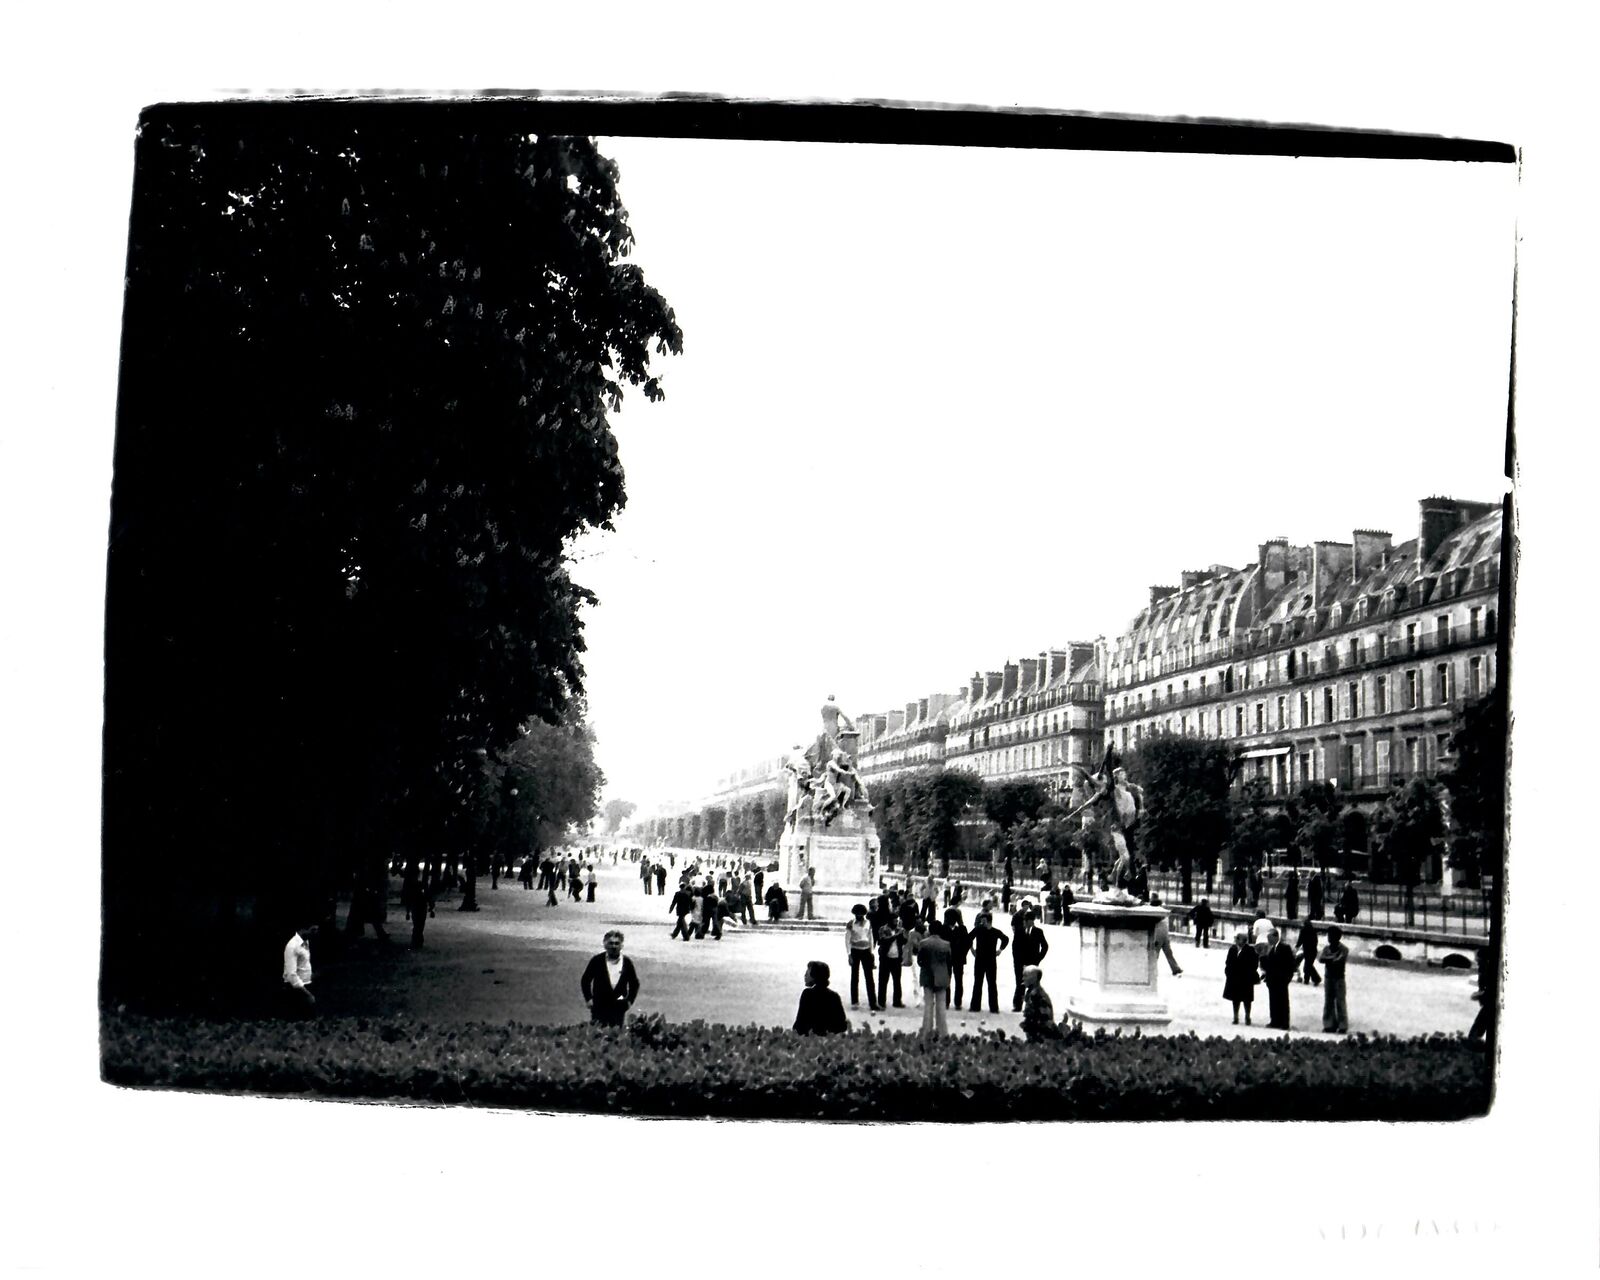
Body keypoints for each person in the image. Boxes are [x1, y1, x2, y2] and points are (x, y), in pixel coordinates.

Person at [580, 930, 640, 1027]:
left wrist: (629, 1001)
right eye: (611, 943)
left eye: (617, 943)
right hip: (599, 1005)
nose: (614, 946)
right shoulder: (597, 961)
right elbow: (585, 980)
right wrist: (588, 999)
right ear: (605, 945)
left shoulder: (627, 962)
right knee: (598, 1035)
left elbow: (634, 983)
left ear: (621, 945)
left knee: (616, 1036)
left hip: (619, 1006)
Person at [916, 920, 953, 1037]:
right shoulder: (946, 944)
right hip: (942, 976)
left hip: (927, 975)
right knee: (941, 1005)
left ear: (930, 930)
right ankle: (942, 1032)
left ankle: (927, 1031)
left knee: (928, 1005)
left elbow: (919, 960)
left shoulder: (923, 943)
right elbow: (949, 962)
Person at [968, 910, 1009, 1014]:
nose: (982, 923)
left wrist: (1000, 949)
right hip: (980, 959)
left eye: (984, 921)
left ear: (989, 921)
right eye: (981, 921)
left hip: (991, 960)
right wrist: (972, 949)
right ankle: (975, 1006)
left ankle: (994, 1007)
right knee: (978, 982)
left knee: (992, 984)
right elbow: (968, 938)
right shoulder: (978, 929)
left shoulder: (995, 932)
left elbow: (1006, 939)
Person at [1010, 907, 1049, 1012]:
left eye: (1026, 920)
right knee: (1020, 983)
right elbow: (1014, 948)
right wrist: (1017, 962)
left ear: (1031, 921)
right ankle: (1017, 1005)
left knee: (1033, 985)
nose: (1025, 922)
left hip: (1032, 963)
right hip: (1020, 963)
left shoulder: (1038, 932)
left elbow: (1045, 946)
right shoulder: (1019, 931)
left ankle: (1030, 1006)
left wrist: (1038, 959)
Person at [793, 961, 849, 1035]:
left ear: (814, 975)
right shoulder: (834, 996)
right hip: (830, 1039)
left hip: (810, 1039)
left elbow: (800, 1023)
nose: (805, 975)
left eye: (807, 973)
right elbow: (842, 1025)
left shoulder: (808, 994)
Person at [843, 904, 879, 1011]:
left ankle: (873, 1002)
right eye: (857, 914)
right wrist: (849, 954)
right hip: (855, 950)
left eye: (861, 914)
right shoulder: (850, 924)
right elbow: (847, 939)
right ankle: (854, 1001)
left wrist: (871, 951)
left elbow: (870, 937)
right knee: (855, 976)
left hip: (866, 951)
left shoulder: (868, 923)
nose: (859, 916)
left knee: (869, 977)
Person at [1260, 928, 1297, 1030]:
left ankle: (1285, 1022)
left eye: (1269, 937)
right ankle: (1275, 1021)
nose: (1268, 940)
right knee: (1273, 1001)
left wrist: (1288, 978)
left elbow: (1291, 964)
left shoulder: (1285, 948)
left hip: (1281, 979)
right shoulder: (1270, 949)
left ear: (1275, 937)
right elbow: (1267, 965)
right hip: (1272, 980)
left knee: (1283, 1001)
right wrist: (1262, 956)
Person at [1318, 926, 1350, 1034]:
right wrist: (1332, 958)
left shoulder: (1344, 949)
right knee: (1328, 1002)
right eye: (1328, 935)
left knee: (1340, 1002)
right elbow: (1321, 959)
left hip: (1339, 979)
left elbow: (1338, 960)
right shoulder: (1327, 948)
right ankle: (1329, 1024)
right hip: (1329, 978)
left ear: (1337, 937)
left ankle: (1342, 1025)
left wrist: (1329, 959)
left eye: (1331, 936)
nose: (1329, 938)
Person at [1223, 929, 1259, 1025]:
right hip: (1234, 978)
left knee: (1247, 1000)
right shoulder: (1232, 949)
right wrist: (1228, 972)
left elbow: (1255, 964)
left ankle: (1247, 1016)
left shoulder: (1250, 950)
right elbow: (1228, 962)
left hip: (1246, 979)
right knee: (1235, 999)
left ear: (1242, 941)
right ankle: (1236, 1017)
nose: (1236, 941)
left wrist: (1248, 972)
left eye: (1237, 939)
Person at [282, 922, 318, 1015]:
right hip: (296, 991)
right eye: (313, 930)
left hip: (306, 985)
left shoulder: (306, 943)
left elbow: (302, 964)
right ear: (303, 929)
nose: (315, 933)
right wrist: (307, 994)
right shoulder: (293, 946)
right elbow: (291, 975)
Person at [1019, 966, 1062, 1042]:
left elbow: (1045, 1021)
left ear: (1034, 978)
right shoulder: (1031, 993)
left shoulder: (1039, 996)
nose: (1023, 979)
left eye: (1025, 976)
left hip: (1041, 1038)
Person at [876, 915, 907, 1009]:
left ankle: (897, 1001)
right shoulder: (883, 929)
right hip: (885, 958)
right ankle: (881, 1002)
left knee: (897, 981)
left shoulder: (900, 929)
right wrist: (895, 936)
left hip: (897, 958)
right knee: (883, 980)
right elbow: (882, 941)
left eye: (897, 920)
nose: (896, 922)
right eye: (894, 920)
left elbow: (904, 941)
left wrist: (903, 935)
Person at [943, 907, 971, 1010]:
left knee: (959, 981)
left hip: (958, 958)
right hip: (946, 958)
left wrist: (963, 954)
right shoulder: (943, 929)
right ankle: (946, 1001)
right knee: (946, 981)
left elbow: (967, 943)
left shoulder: (962, 929)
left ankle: (958, 1002)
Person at [1149, 895, 1183, 976]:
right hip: (1160, 935)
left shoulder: (1158, 913)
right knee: (1163, 953)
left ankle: (1175, 968)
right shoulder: (1158, 913)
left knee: (1165, 953)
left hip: (1161, 935)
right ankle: (1152, 969)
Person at [401, 867, 432, 949]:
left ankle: (416, 941)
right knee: (419, 925)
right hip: (420, 906)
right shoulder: (420, 885)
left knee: (417, 925)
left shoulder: (412, 886)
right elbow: (428, 896)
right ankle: (418, 941)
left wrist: (407, 911)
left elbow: (408, 899)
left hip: (417, 906)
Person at [1297, 917, 1322, 986]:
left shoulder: (1303, 930)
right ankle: (1311, 979)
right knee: (1309, 965)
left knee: (1307, 966)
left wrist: (1296, 947)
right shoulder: (1313, 930)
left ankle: (1312, 979)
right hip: (1313, 950)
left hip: (1307, 950)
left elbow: (1300, 940)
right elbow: (1316, 941)